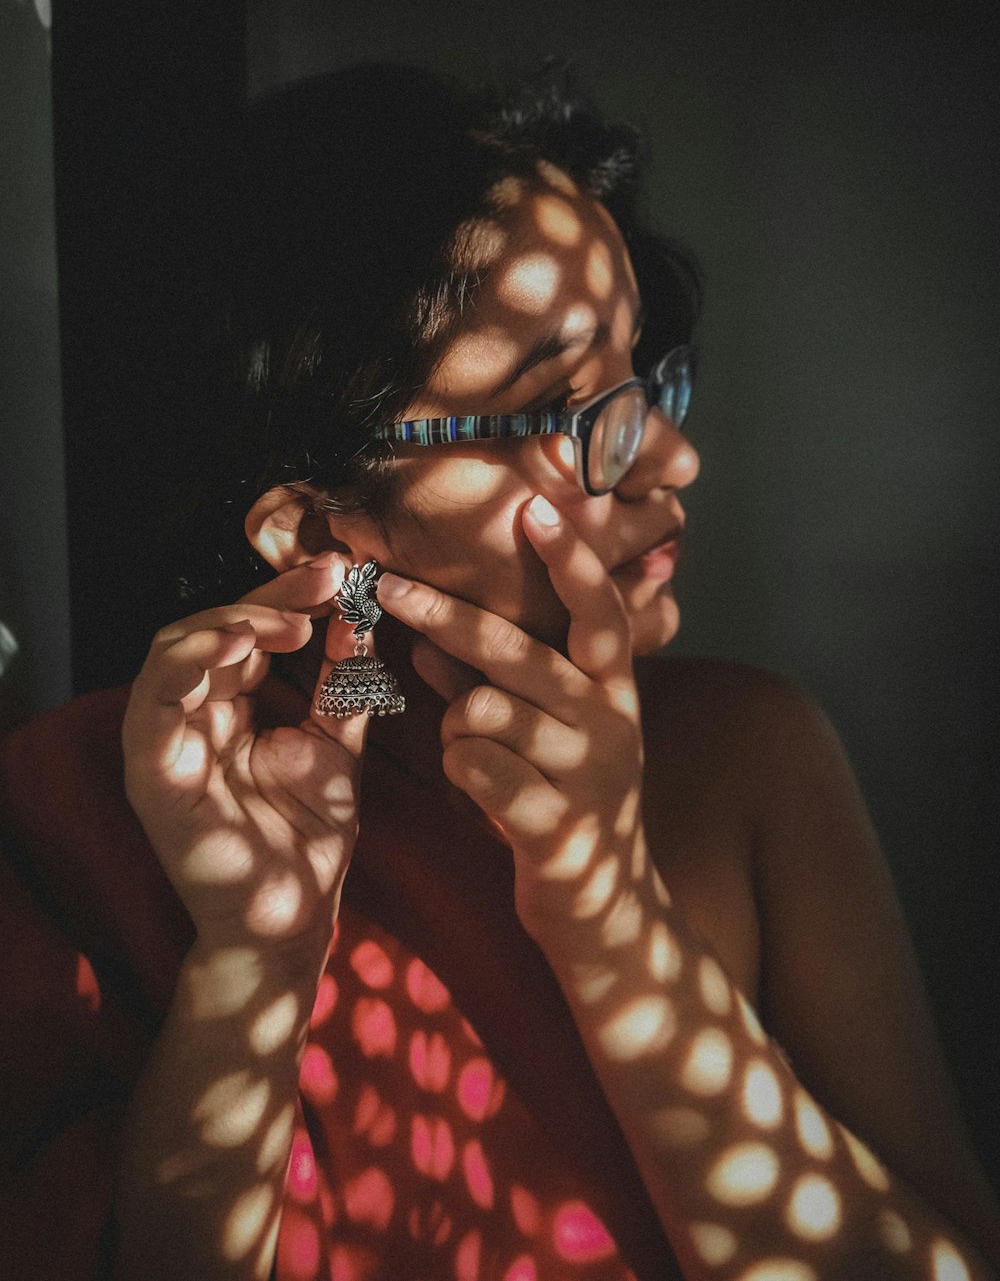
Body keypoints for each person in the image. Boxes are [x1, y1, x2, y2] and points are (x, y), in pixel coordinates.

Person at [1, 65, 997, 1281]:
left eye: (644, 375)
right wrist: (250, 965)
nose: (671, 457)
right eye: (564, 407)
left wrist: (607, 909)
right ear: (321, 535)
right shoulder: (77, 818)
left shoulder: (746, 757)